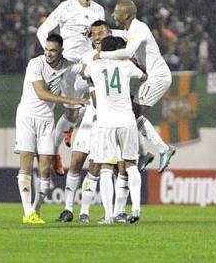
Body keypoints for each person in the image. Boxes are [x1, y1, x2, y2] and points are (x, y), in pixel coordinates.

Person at [95, 0, 176, 173]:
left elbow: (128, 52)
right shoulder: (131, 30)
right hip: (147, 78)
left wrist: (102, 55)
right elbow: (118, 35)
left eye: (116, 11)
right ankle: (145, 153)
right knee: (128, 113)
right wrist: (101, 33)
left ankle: (163, 149)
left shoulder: (139, 29)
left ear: (125, 15)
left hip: (157, 77)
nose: (114, 14)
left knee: (132, 114)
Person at [15, 33, 89, 224]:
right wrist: (71, 100)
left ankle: (35, 210)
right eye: (47, 49)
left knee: (45, 170)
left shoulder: (67, 65)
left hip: (46, 120)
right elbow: (41, 93)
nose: (48, 53)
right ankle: (27, 212)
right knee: (26, 161)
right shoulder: (35, 64)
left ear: (61, 51)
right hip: (27, 117)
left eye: (53, 50)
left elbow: (88, 68)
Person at [36, 0, 105, 176]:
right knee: (72, 112)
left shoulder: (99, 10)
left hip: (88, 63)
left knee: (97, 100)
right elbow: (43, 31)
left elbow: (100, 35)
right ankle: (55, 153)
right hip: (68, 64)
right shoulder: (65, 7)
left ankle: (72, 129)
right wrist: (52, 54)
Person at [56, 20, 123, 223]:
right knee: (76, 161)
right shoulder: (86, 57)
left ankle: (84, 212)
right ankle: (68, 209)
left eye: (100, 33)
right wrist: (86, 75)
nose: (96, 37)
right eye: (93, 34)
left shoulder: (120, 56)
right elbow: (77, 86)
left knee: (96, 166)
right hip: (90, 116)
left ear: (108, 33)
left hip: (108, 119)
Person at [85, 36, 147, 224]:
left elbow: (85, 72)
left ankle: (109, 215)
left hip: (106, 123)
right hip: (127, 120)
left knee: (105, 168)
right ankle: (135, 207)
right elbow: (144, 76)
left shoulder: (94, 66)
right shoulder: (126, 65)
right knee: (131, 165)